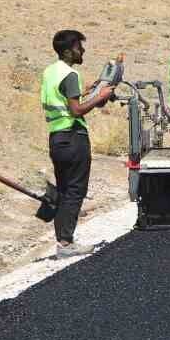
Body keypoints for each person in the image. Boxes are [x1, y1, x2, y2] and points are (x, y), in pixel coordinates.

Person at [41, 29, 114, 257]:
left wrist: (86, 92)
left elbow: (63, 98)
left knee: (64, 189)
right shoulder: (71, 74)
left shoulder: (51, 71)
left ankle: (62, 239)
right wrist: (100, 97)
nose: (82, 50)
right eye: (78, 47)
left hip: (56, 138)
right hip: (73, 137)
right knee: (75, 190)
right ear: (67, 51)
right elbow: (75, 110)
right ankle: (65, 242)